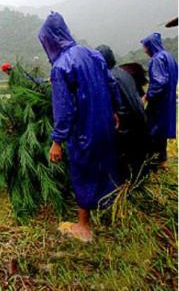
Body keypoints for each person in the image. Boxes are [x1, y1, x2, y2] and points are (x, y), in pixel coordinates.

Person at [38, 12, 120, 242]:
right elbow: (111, 83)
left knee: (83, 171)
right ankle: (110, 207)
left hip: (84, 130)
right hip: (104, 122)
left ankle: (84, 226)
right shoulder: (92, 53)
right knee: (106, 165)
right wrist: (115, 111)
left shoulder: (61, 67)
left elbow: (64, 110)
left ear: (51, 40)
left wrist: (56, 141)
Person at [96, 45, 149, 180]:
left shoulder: (110, 77)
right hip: (139, 118)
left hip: (126, 122)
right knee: (138, 153)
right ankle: (141, 178)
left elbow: (118, 104)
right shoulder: (123, 72)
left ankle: (129, 182)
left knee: (126, 155)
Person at [141, 33, 178, 169]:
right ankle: (163, 161)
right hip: (168, 100)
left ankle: (153, 163)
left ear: (150, 46)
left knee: (152, 130)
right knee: (162, 131)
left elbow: (159, 82)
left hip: (159, 103)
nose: (144, 50)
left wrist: (147, 96)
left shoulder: (157, 59)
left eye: (145, 47)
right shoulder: (169, 57)